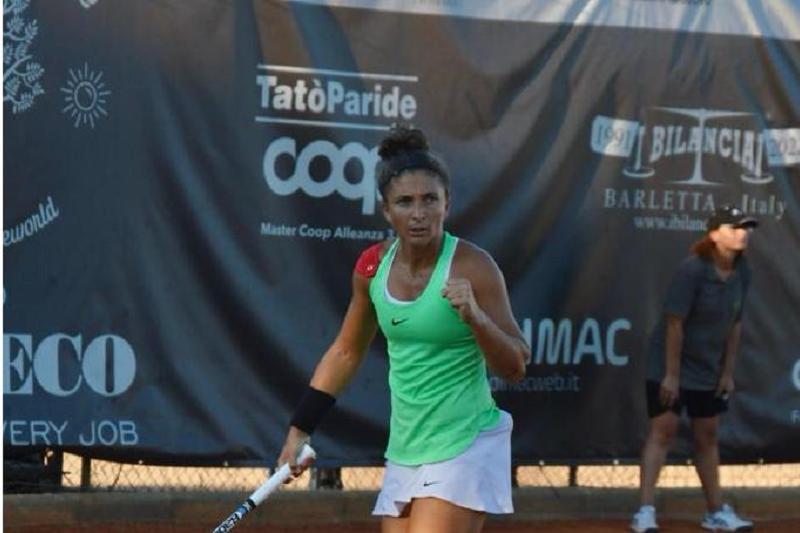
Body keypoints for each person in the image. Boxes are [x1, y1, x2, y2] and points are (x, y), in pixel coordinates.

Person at [277, 125, 531, 533]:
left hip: (465, 443)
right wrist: (299, 430)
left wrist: (476, 319)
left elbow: (515, 365)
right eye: (405, 202)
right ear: (386, 211)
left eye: (430, 199)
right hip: (406, 449)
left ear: (447, 204)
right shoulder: (372, 269)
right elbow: (345, 352)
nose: (419, 213)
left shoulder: (473, 266)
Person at [631, 205, 757, 533]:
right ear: (714, 234)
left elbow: (735, 323)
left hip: (706, 369)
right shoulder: (692, 270)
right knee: (664, 431)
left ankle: (715, 512)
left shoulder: (743, 272)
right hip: (668, 363)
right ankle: (644, 512)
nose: (742, 233)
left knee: (708, 435)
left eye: (745, 227)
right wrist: (671, 375)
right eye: (734, 227)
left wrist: (726, 372)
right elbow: (675, 324)